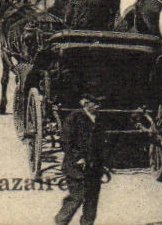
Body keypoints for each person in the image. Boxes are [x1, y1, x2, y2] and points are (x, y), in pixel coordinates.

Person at [55, 92, 109, 225]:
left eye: (100, 103)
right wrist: (78, 158)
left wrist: (104, 161)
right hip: (76, 168)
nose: (98, 106)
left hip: (94, 168)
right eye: (95, 103)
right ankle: (61, 221)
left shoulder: (100, 119)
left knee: (92, 200)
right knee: (77, 197)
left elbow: (103, 143)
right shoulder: (74, 117)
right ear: (86, 104)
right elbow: (65, 141)